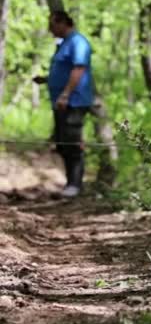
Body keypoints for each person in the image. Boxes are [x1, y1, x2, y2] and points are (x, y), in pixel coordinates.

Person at [33, 11, 94, 198]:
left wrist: (66, 94)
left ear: (62, 23)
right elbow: (64, 69)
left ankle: (75, 185)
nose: (50, 30)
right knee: (62, 143)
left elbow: (79, 69)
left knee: (72, 143)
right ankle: (70, 183)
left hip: (74, 102)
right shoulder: (64, 43)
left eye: (52, 26)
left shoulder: (78, 42)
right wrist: (46, 80)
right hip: (61, 103)